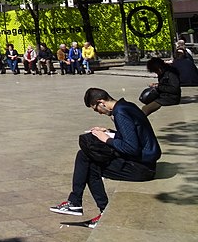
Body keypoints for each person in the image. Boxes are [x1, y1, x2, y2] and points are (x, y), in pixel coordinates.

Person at [49, 87, 161, 229]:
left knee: (89, 164)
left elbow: (131, 148)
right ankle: (76, 202)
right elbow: (133, 135)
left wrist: (106, 139)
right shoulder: (126, 106)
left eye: (96, 109)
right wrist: (109, 132)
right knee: (85, 156)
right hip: (144, 163)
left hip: (141, 168)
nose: (99, 113)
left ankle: (93, 208)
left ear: (101, 102)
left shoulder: (120, 113)